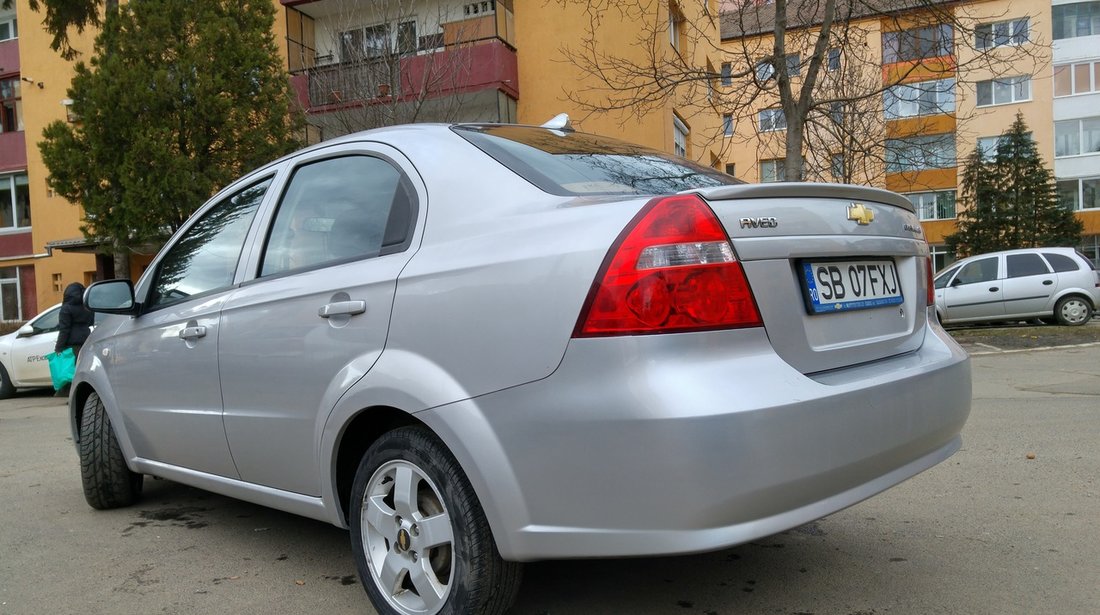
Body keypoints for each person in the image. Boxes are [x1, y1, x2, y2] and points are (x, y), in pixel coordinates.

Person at [54, 282, 95, 396]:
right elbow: (90, 322)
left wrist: (59, 347)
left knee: (71, 373)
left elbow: (64, 330)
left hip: (72, 345)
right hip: (86, 341)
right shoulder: (87, 306)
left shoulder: (66, 309)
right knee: (83, 371)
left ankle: (72, 396)